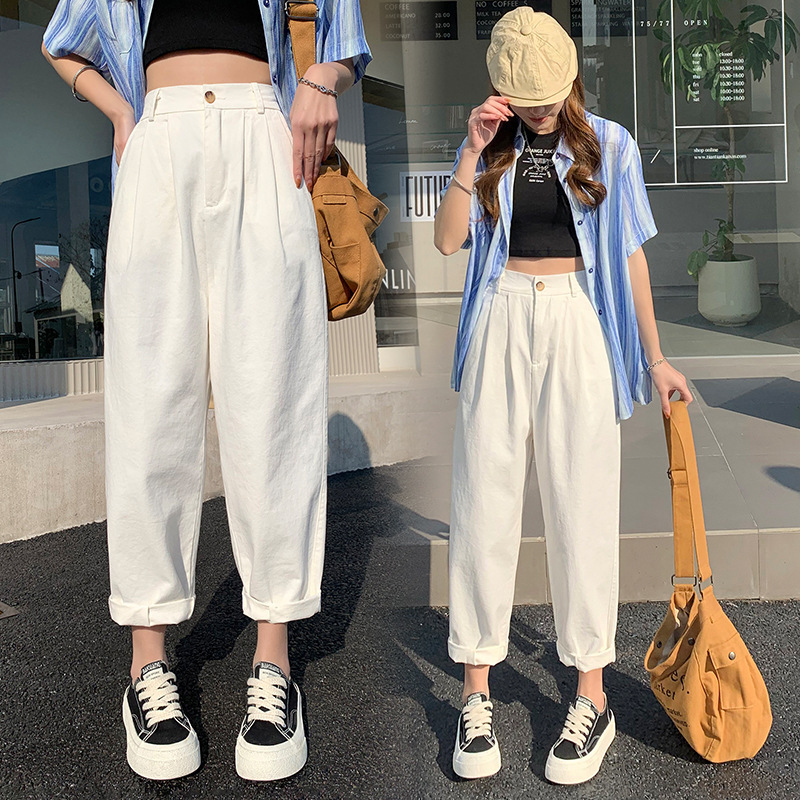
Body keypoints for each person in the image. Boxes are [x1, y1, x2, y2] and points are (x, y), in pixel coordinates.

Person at [41, 0, 371, 783]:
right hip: (159, 141)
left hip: (267, 138)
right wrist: (123, 114)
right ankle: (147, 663)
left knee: (275, 407)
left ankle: (273, 662)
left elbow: (345, 35)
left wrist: (321, 79)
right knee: (150, 406)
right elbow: (61, 42)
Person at [433, 7, 693, 786]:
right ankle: (476, 693)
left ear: (571, 78)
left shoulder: (609, 144)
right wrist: (471, 151)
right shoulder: (490, 144)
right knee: (483, 504)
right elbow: (448, 241)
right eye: (527, 97)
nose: (541, 108)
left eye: (549, 94)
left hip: (579, 318)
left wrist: (655, 357)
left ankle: (591, 696)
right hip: (501, 315)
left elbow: (632, 255)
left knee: (582, 506)